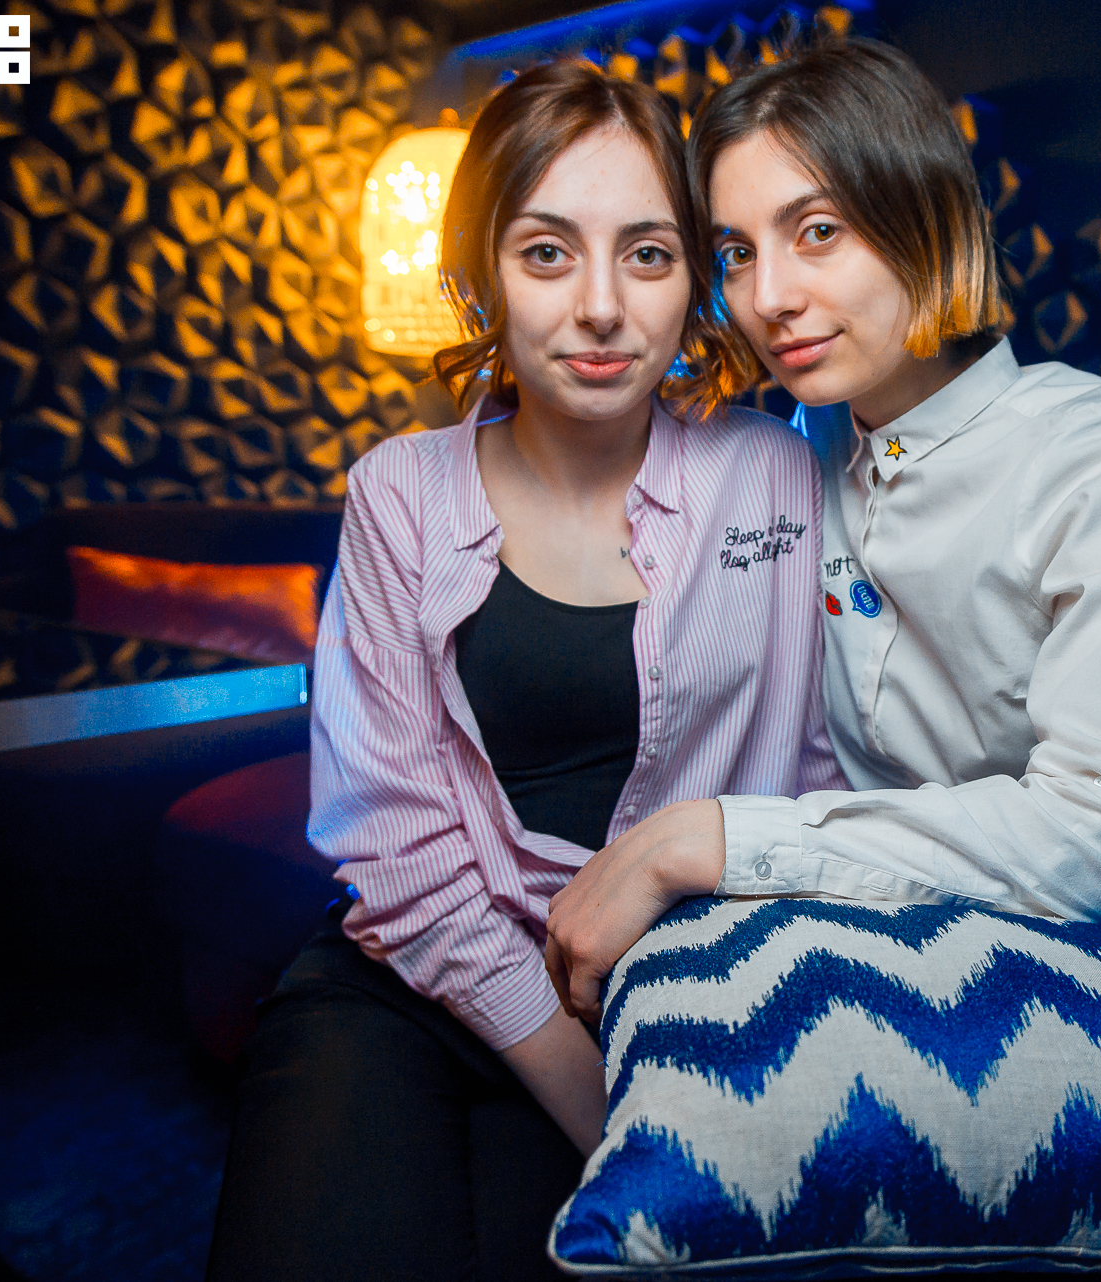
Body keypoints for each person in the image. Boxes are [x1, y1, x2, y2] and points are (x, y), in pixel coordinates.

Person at [540, 36, 1101, 1061]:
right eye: (739, 252)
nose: (769, 297)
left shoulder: (1099, 452)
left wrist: (714, 838)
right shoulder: (802, 449)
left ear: (926, 222)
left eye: (818, 231)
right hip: (954, 929)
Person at [206, 60, 842, 1282]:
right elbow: (392, 844)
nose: (600, 307)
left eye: (647, 254)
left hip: (669, 992)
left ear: (695, 279)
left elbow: (819, 772)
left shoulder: (770, 473)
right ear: (482, 273)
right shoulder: (399, 492)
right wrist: (599, 1105)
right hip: (411, 981)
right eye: (547, 252)